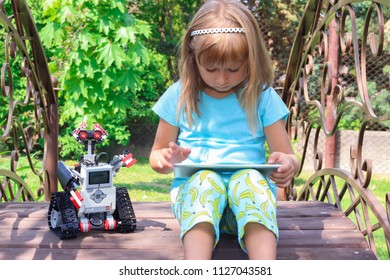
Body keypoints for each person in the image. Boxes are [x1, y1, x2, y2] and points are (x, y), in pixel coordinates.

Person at [149, 0, 300, 260]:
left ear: (251, 60)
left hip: (251, 207)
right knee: (205, 181)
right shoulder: (179, 95)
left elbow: (287, 155)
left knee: (249, 180)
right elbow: (156, 154)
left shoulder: (261, 96)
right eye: (211, 69)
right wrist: (166, 160)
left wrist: (287, 164)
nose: (222, 79)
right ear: (193, 59)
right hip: (197, 207)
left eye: (233, 69)